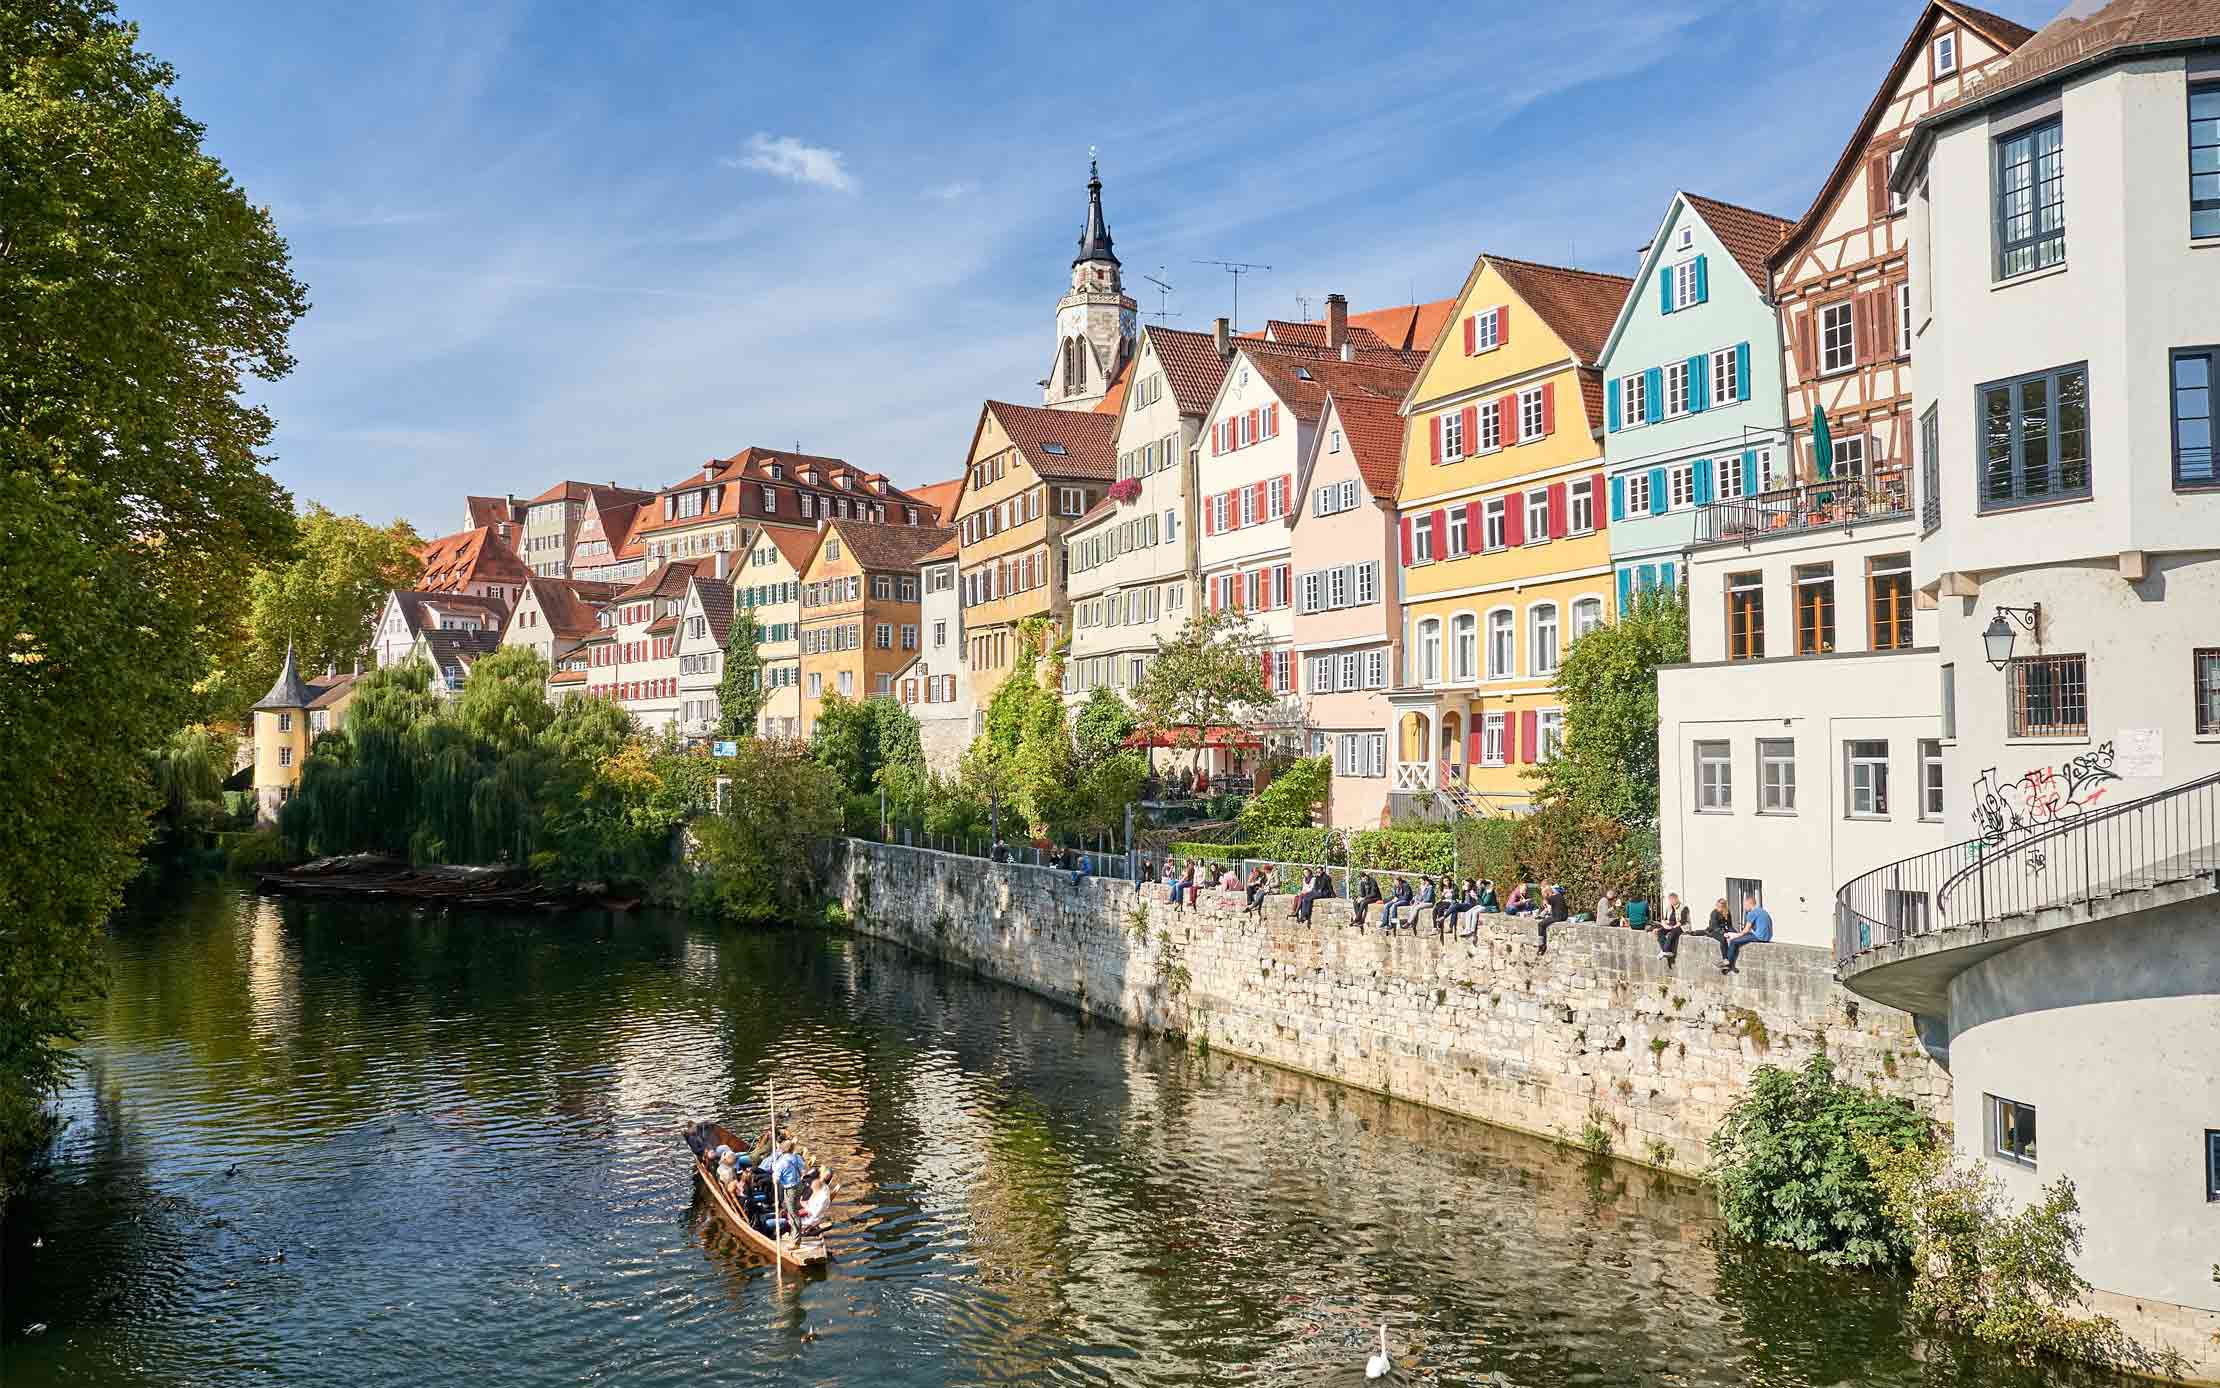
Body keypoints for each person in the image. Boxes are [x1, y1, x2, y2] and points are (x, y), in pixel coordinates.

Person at [1720, 892, 1773, 973]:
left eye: (1745, 905)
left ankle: (1728, 964)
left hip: (1760, 937)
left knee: (1734, 942)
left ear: (1749, 904)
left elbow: (1746, 930)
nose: (1744, 907)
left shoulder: (1752, 913)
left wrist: (1736, 936)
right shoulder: (1762, 911)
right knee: (1743, 938)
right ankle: (1730, 965)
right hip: (1767, 937)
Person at [772, 1137, 807, 1236]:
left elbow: (776, 1180)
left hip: (790, 1189)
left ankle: (795, 1238)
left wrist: (774, 1176)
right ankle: (792, 1229)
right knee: (792, 1210)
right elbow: (804, 1170)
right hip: (799, 1186)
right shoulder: (797, 1157)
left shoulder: (781, 1162)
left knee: (793, 1214)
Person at [1653, 892, 1690, 963]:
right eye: (1670, 900)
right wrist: (1664, 925)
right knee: (1659, 932)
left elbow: (1682, 921)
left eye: (1672, 900)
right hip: (1670, 925)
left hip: (1681, 926)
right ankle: (1667, 951)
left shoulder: (1684, 908)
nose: (1671, 902)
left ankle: (1665, 950)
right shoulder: (1668, 907)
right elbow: (1664, 919)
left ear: (1676, 899)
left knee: (1673, 932)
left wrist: (1673, 927)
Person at [801, 1167, 836, 1232]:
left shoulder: (824, 1195)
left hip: (809, 1220)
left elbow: (815, 1213)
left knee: (785, 1220)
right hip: (808, 1214)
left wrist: (805, 1206)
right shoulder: (819, 1187)